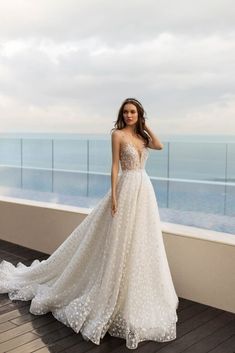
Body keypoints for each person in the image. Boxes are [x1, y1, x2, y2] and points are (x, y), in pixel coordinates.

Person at [0, 98, 179, 349]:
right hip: (126, 188)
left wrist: (146, 126)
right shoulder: (117, 135)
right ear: (122, 114)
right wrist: (115, 196)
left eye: (133, 112)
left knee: (141, 240)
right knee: (118, 239)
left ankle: (130, 294)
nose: (129, 115)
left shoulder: (142, 136)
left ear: (139, 115)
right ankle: (109, 292)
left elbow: (159, 145)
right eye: (126, 112)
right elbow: (115, 167)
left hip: (144, 191)